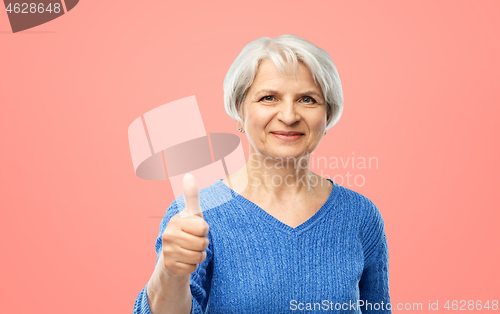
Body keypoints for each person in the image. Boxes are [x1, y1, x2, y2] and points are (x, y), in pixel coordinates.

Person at [133, 34, 391, 314]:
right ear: (239, 111)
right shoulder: (195, 216)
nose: (289, 115)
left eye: (307, 99)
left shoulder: (360, 215)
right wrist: (170, 273)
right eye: (269, 98)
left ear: (327, 115)